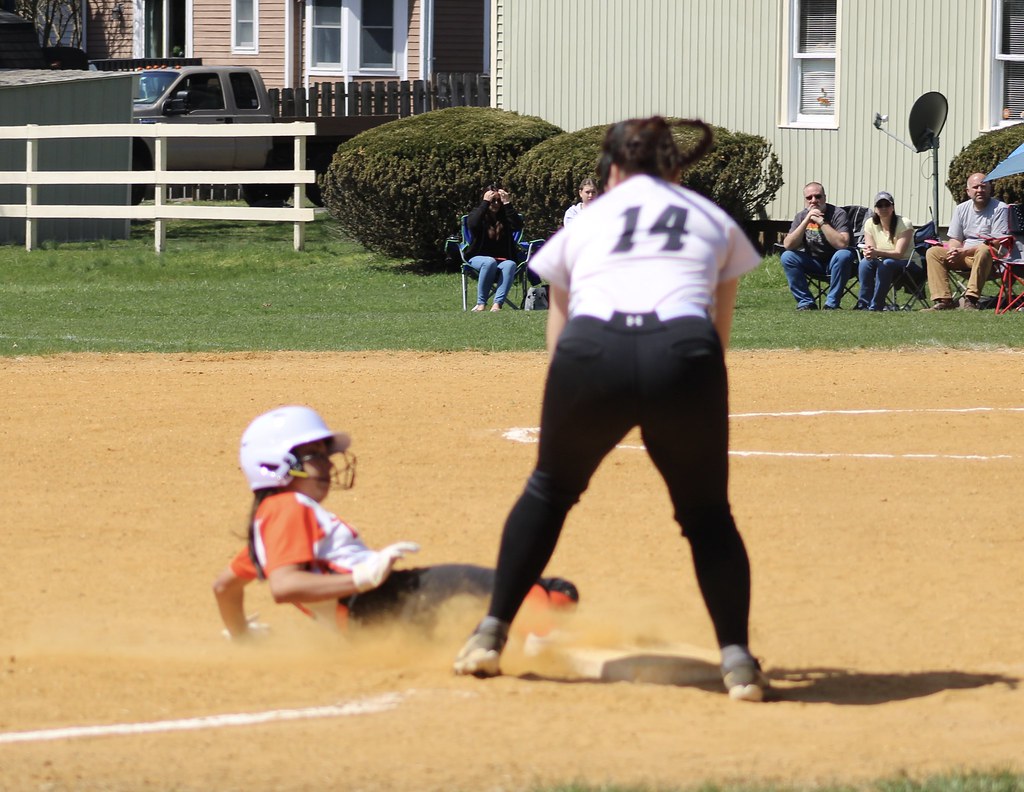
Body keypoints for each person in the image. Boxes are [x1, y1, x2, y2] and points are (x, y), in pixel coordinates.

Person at [451, 116, 768, 702]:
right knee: (706, 516)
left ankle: (489, 635)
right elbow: (716, 335)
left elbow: (560, 323)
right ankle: (738, 662)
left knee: (549, 491)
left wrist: (578, 395)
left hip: (590, 352)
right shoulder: (712, 218)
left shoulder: (589, 219)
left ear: (615, 168)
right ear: (676, 168)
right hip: (685, 350)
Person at [212, 405, 578, 640]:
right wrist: (361, 578)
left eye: (326, 455)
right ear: (275, 465)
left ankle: (526, 642)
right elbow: (285, 585)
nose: (327, 464)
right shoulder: (289, 507)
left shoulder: (269, 529)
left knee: (517, 607)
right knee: (550, 594)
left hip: (374, 621)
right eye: (313, 456)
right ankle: (545, 648)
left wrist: (242, 635)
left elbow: (224, 588)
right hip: (379, 600)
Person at [923, 172, 1007, 311]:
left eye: (983, 186)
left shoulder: (1000, 209)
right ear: (968, 191)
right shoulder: (961, 209)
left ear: (989, 189)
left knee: (984, 250)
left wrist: (964, 251)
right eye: (975, 187)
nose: (979, 190)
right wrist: (953, 250)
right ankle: (944, 301)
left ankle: (971, 300)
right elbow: (955, 238)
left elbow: (995, 243)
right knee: (933, 252)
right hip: (965, 257)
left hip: (991, 261)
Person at [780, 182, 855, 310]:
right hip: (813, 262)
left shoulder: (838, 214)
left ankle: (831, 304)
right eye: (809, 198)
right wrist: (806, 221)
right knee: (787, 256)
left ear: (824, 197)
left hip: (836, 263)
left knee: (844, 254)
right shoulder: (801, 216)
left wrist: (821, 222)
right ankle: (806, 303)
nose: (813, 201)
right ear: (805, 200)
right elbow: (788, 245)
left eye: (818, 196)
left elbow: (842, 244)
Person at [464, 186, 524, 312]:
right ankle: (481, 304)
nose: (496, 204)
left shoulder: (505, 216)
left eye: (499, 201)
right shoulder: (478, 214)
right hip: (478, 258)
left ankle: (497, 304)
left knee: (510, 264)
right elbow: (473, 224)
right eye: (493, 201)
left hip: (502, 260)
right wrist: (485, 203)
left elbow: (518, 225)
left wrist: (507, 203)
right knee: (489, 262)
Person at [855, 191, 914, 312]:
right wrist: (869, 253)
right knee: (865, 263)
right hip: (882, 261)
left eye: (886, 205)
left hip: (907, 263)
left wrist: (876, 252)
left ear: (892, 207)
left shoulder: (904, 223)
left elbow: (899, 253)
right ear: (875, 209)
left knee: (886, 264)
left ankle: (876, 305)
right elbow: (872, 251)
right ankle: (863, 304)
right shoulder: (869, 223)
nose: (883, 208)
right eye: (879, 205)